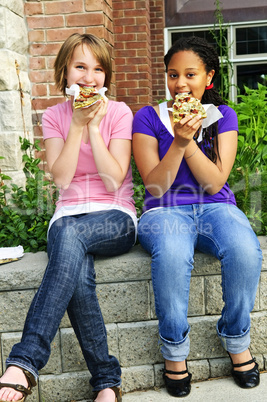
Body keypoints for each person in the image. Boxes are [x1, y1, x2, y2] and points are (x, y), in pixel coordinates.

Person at [0, 33, 137, 402]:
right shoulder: (55, 117)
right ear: (65, 72)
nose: (89, 77)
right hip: (68, 216)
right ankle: (107, 382)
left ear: (106, 76)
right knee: (77, 274)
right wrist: (76, 124)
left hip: (116, 216)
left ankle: (24, 361)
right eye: (80, 67)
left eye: (97, 69)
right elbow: (61, 179)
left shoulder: (120, 112)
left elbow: (114, 178)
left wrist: (93, 125)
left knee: (71, 239)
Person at [132, 36, 262, 398]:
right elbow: (155, 187)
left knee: (245, 251)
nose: (180, 84)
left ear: (209, 78)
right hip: (165, 210)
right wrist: (177, 139)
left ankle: (236, 341)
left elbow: (215, 180)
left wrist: (189, 138)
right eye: (173, 75)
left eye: (190, 74)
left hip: (216, 206)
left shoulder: (224, 117)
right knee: (172, 255)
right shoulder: (148, 117)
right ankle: (175, 354)